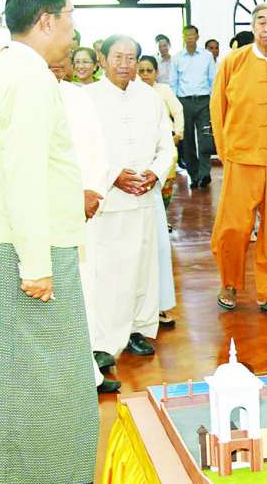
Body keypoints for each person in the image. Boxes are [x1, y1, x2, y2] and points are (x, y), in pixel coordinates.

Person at [0, 0, 99, 484]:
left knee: (8, 366)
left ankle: (10, 479)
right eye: (69, 16)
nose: (72, 28)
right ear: (46, 20)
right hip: (28, 246)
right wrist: (37, 264)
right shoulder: (31, 79)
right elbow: (24, 175)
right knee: (44, 369)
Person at [85, 36, 174, 363]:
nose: (124, 64)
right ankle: (104, 342)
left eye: (130, 58)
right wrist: (113, 176)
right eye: (117, 57)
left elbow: (166, 146)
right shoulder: (88, 98)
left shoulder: (150, 97)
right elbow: (82, 148)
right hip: (108, 201)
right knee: (108, 273)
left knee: (143, 268)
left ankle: (139, 329)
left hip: (145, 198)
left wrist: (154, 173)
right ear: (103, 59)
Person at [210, 3, 267, 314]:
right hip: (241, 156)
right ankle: (229, 282)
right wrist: (226, 153)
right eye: (261, 21)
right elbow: (218, 109)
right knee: (233, 227)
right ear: (253, 26)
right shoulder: (233, 62)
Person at [48, 50, 121, 396]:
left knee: (86, 287)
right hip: (44, 211)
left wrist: (93, 192)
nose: (58, 63)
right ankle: (64, 375)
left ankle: (87, 367)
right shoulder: (23, 94)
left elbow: (97, 149)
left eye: (63, 56)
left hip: (82, 209)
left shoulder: (77, 97)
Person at [136, 54, 182, 329]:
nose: (142, 74)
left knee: (159, 248)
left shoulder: (157, 96)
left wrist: (153, 172)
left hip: (150, 181)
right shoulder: (100, 96)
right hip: (117, 187)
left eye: (146, 69)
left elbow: (166, 142)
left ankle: (161, 305)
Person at [172, 21, 217, 188]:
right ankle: (194, 175)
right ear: (183, 38)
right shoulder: (177, 58)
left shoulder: (207, 56)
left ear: (197, 37)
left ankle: (205, 173)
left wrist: (212, 101)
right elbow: (173, 83)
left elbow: (213, 80)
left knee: (205, 138)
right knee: (188, 140)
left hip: (204, 101)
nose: (190, 38)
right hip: (184, 102)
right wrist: (175, 107)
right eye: (187, 36)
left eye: (192, 35)